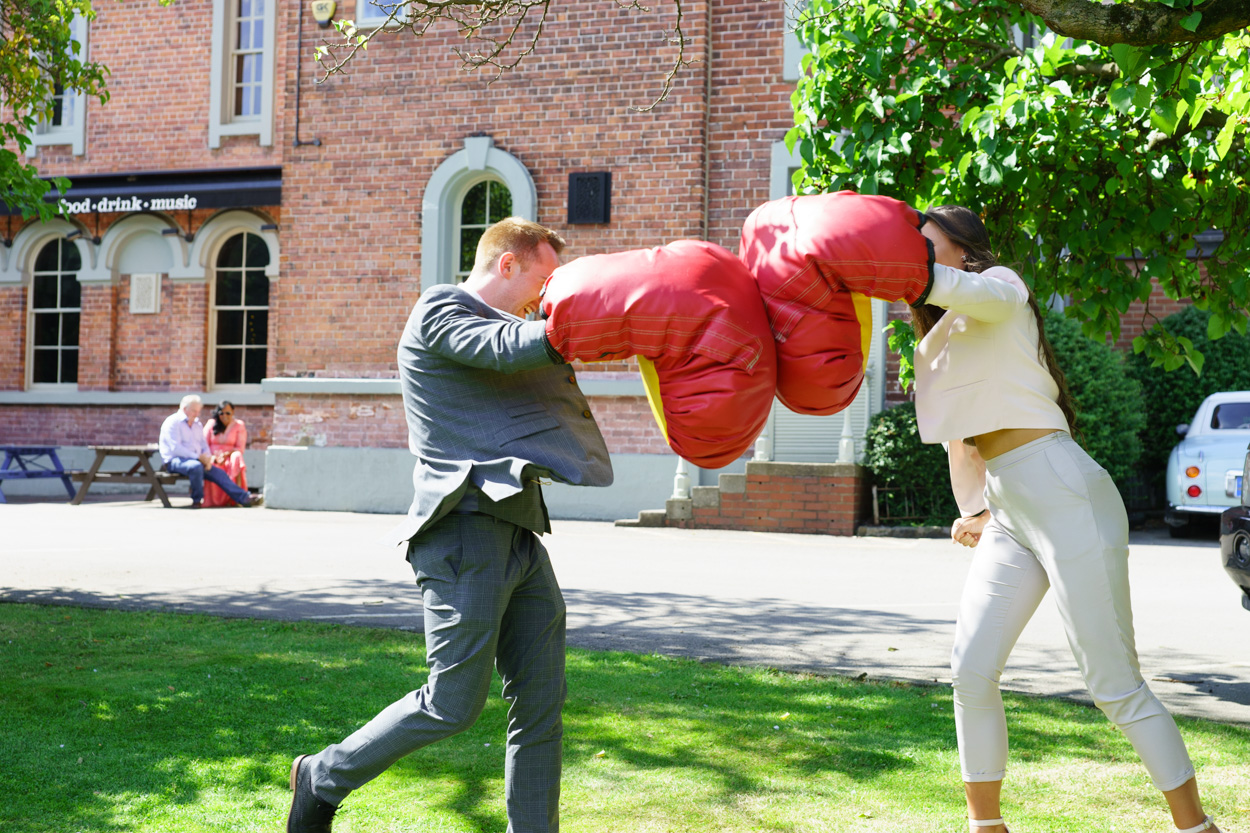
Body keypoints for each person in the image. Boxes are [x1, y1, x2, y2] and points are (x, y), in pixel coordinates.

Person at [286, 218, 613, 833]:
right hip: (461, 530)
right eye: (542, 280)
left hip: (519, 530)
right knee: (452, 705)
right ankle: (322, 777)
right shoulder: (441, 309)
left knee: (542, 701)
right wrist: (578, 323)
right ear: (507, 265)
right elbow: (500, 349)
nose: (545, 298)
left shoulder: (517, 325)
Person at [911, 205, 1220, 833]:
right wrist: (975, 511)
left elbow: (954, 288)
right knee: (969, 671)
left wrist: (905, 273)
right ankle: (986, 826)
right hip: (1010, 507)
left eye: (923, 244)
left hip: (1064, 489)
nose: (911, 255)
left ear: (965, 250)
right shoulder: (939, 338)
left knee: (1113, 684)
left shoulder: (1004, 288)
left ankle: (1196, 828)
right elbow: (961, 440)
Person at [158, 394, 255, 509]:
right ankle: (197, 500)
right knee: (196, 466)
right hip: (174, 461)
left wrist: (208, 459)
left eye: (198, 411)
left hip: (196, 460)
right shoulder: (172, 422)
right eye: (194, 411)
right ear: (185, 409)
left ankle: (244, 498)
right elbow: (176, 448)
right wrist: (198, 457)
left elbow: (204, 445)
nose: (197, 414)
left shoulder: (197, 424)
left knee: (219, 473)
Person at [201, 400, 249, 508]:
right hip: (212, 457)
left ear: (233, 412)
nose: (224, 416)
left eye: (228, 413)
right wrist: (212, 457)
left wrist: (226, 455)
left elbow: (239, 448)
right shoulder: (211, 424)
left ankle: (239, 498)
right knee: (212, 466)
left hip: (230, 457)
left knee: (237, 457)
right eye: (221, 413)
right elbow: (203, 445)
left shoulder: (239, 425)